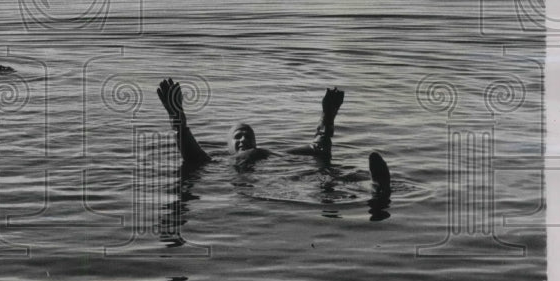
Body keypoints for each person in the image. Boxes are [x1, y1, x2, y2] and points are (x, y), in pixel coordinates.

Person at [156, 78, 390, 191]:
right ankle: (371, 188)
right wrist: (176, 116)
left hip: (289, 174)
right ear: (226, 146)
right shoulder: (218, 163)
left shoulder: (274, 154)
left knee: (340, 177)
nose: (243, 139)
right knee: (326, 183)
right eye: (237, 136)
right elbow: (192, 155)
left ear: (257, 141)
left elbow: (319, 149)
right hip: (277, 183)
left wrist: (327, 116)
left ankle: (375, 184)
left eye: (248, 135)